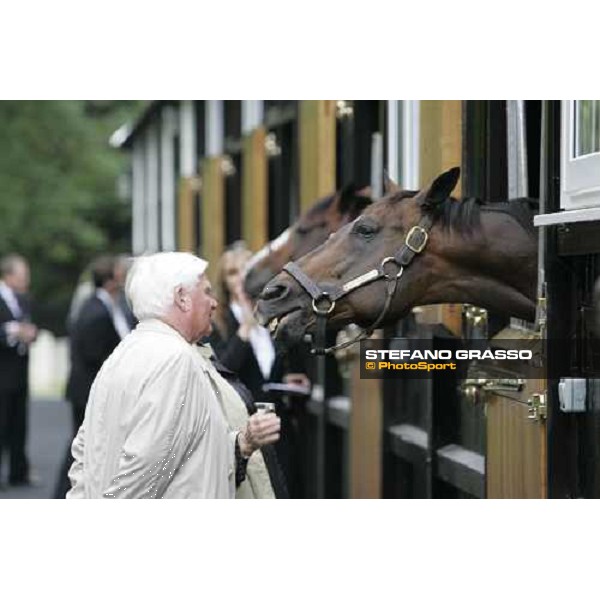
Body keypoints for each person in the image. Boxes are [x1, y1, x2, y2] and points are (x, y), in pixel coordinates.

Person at [66, 252, 280, 499]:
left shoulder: (123, 352)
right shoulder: (175, 359)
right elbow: (146, 469)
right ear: (182, 298)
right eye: (207, 292)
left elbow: (85, 454)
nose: (214, 303)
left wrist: (241, 443)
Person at [54, 255, 131, 498]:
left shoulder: (103, 306)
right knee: (81, 446)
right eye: (119, 275)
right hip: (87, 390)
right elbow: (95, 355)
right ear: (109, 281)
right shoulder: (96, 311)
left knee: (83, 445)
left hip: (88, 389)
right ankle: (60, 495)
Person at [0, 254, 38, 487]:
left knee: (18, 423)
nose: (27, 280)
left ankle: (18, 472)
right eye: (23, 275)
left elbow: (31, 324)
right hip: (2, 372)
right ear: (9, 275)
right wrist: (12, 331)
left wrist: (29, 333)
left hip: (19, 371)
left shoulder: (23, 299)